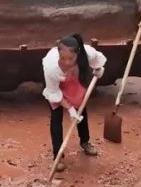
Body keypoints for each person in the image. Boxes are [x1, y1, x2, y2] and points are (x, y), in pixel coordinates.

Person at [42, 34, 105, 169]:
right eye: (62, 58)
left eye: (71, 58)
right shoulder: (51, 67)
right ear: (58, 54)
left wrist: (99, 69)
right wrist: (69, 109)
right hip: (56, 85)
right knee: (56, 117)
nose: (66, 62)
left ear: (78, 54)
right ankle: (57, 155)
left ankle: (85, 141)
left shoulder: (87, 53)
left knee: (81, 109)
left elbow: (97, 61)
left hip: (72, 80)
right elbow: (54, 93)